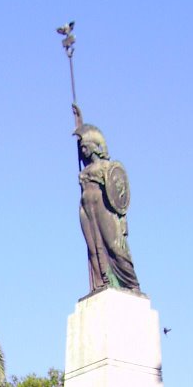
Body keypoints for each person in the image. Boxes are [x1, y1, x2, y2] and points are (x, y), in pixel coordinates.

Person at [73, 104, 140, 294]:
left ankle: (131, 283)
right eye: (82, 147)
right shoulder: (85, 169)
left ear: (95, 147)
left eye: (86, 146)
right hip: (86, 209)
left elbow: (118, 193)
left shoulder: (106, 166)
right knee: (94, 248)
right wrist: (79, 123)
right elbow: (81, 138)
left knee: (113, 245)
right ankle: (101, 282)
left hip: (102, 206)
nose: (83, 150)